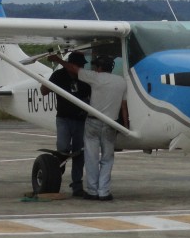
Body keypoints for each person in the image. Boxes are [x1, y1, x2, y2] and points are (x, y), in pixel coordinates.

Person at [50, 51, 128, 201]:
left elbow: (72, 69)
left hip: (93, 122)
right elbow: (123, 107)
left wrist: (57, 59)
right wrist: (125, 126)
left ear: (99, 67)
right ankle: (104, 192)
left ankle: (92, 191)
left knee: (91, 157)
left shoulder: (95, 78)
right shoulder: (121, 82)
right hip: (111, 123)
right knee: (107, 158)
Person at [41, 51, 91, 196]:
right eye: (79, 65)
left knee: (79, 152)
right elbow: (44, 91)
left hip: (80, 120)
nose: (81, 68)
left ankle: (77, 185)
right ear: (72, 64)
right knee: (63, 148)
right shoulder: (58, 75)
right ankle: (57, 169)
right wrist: (46, 83)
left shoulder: (84, 78)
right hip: (63, 118)